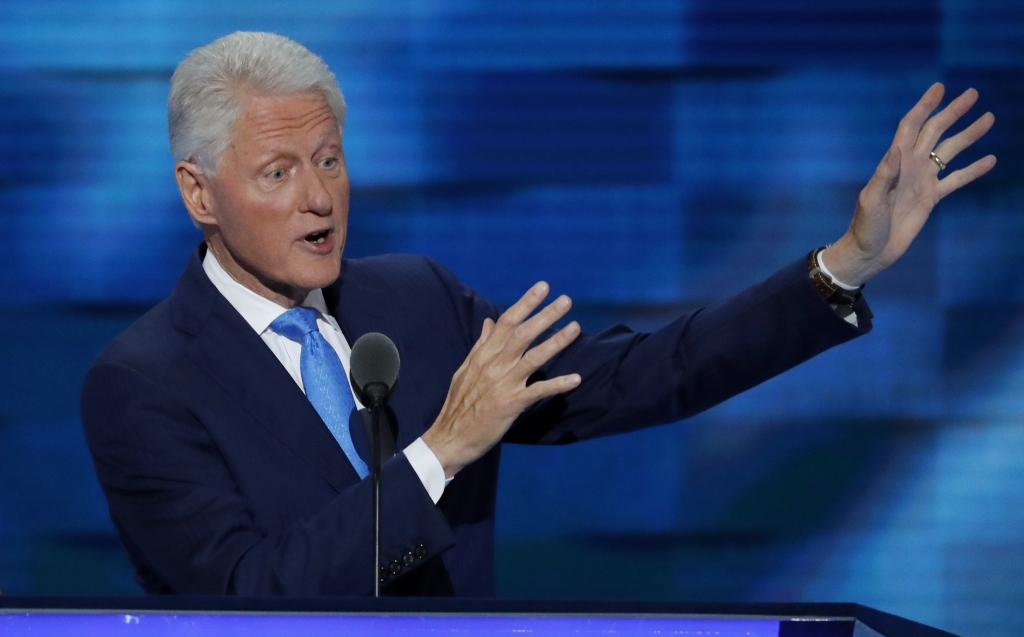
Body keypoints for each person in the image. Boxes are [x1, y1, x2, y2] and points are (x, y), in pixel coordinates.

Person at [81, 32, 996, 597]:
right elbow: (243, 594)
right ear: (199, 193)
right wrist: (441, 451)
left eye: (330, 159)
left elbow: (643, 374)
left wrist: (844, 265)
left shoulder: (413, 300)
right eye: (280, 173)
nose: (320, 198)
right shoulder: (144, 382)